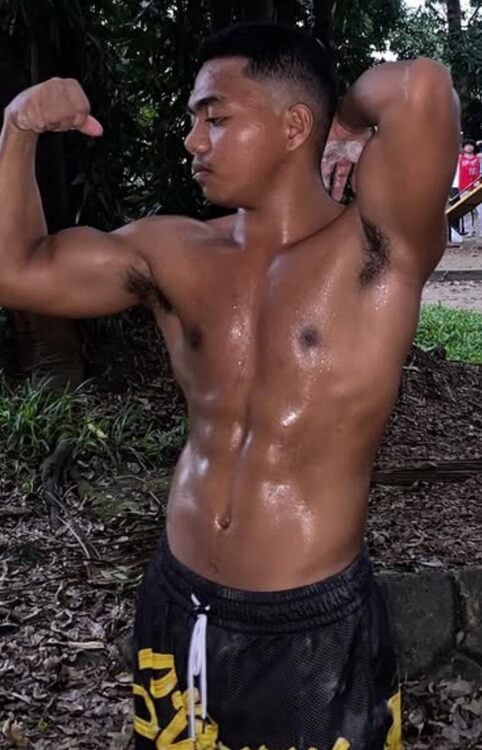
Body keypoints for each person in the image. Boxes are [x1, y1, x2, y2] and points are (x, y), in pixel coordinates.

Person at [0, 22, 459, 750]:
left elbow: (422, 86)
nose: (192, 141)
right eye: (193, 120)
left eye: (215, 118)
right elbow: (16, 271)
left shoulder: (376, 251)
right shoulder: (171, 250)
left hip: (312, 631)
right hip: (178, 599)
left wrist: (344, 122)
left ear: (294, 126)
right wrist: (18, 127)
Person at [458, 140, 480, 236]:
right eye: (467, 145)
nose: (469, 147)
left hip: (476, 187)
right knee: (466, 211)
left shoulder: (478, 158)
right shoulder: (460, 158)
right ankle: (468, 230)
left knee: (480, 210)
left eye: (471, 145)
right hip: (464, 187)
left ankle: (480, 230)